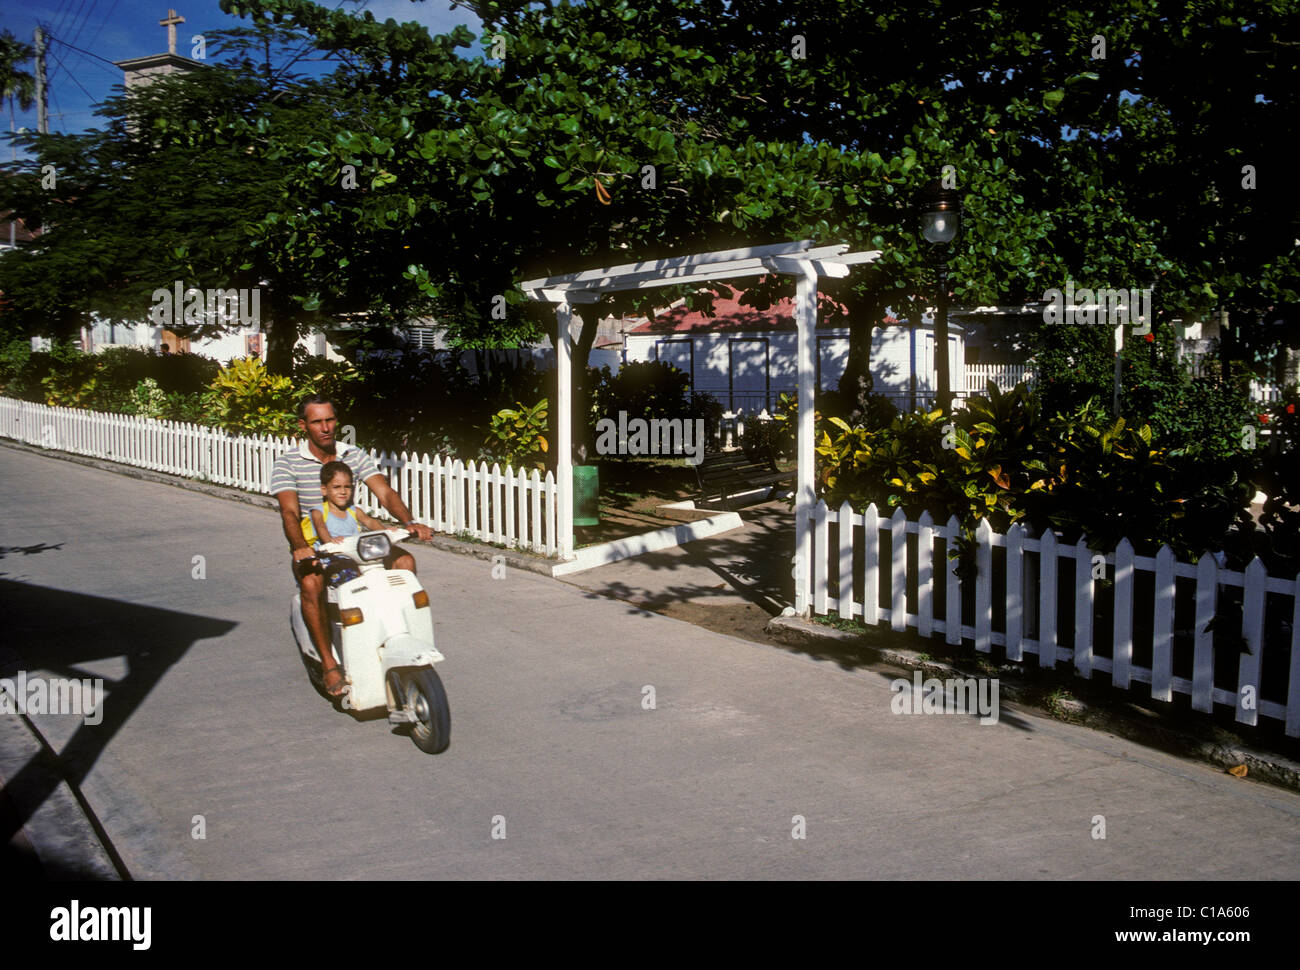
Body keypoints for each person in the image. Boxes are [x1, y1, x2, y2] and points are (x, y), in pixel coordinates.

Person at [271, 395, 434, 698]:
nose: (325, 428)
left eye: (330, 419)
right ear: (303, 425)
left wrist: (409, 522)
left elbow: (384, 492)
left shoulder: (353, 453)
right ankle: (330, 663)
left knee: (404, 563)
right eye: (317, 421)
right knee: (310, 581)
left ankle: (402, 637)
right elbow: (289, 512)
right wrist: (299, 546)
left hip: (357, 543)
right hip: (317, 547)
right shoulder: (287, 463)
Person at [303, 460, 403, 547]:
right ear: (324, 490)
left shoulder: (353, 511)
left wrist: (385, 531)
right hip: (329, 557)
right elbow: (321, 528)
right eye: (336, 487)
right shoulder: (318, 512)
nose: (343, 491)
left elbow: (370, 522)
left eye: (347, 487)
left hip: (355, 555)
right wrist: (330, 541)